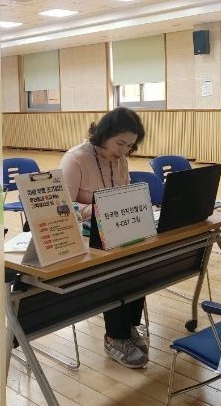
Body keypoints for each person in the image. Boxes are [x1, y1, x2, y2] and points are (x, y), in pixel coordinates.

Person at [60, 107, 149, 369]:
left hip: (112, 230)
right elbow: (62, 207)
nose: (123, 151)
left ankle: (128, 326)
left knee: (143, 258)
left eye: (129, 146)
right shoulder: (76, 159)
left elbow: (124, 194)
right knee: (115, 266)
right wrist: (96, 210)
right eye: (120, 143)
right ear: (104, 134)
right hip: (82, 235)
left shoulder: (121, 160)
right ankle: (115, 337)